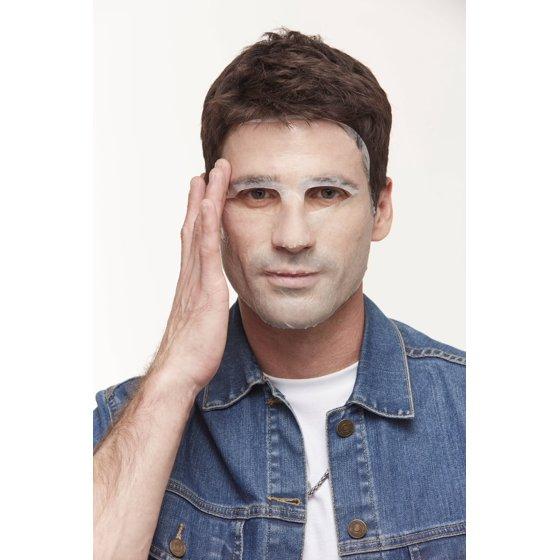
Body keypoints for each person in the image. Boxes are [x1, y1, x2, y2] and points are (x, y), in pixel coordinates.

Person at [93, 28, 465, 560]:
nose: (292, 238)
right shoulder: (122, 427)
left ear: (380, 209)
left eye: (326, 193)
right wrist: (175, 372)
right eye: (258, 195)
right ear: (212, 211)